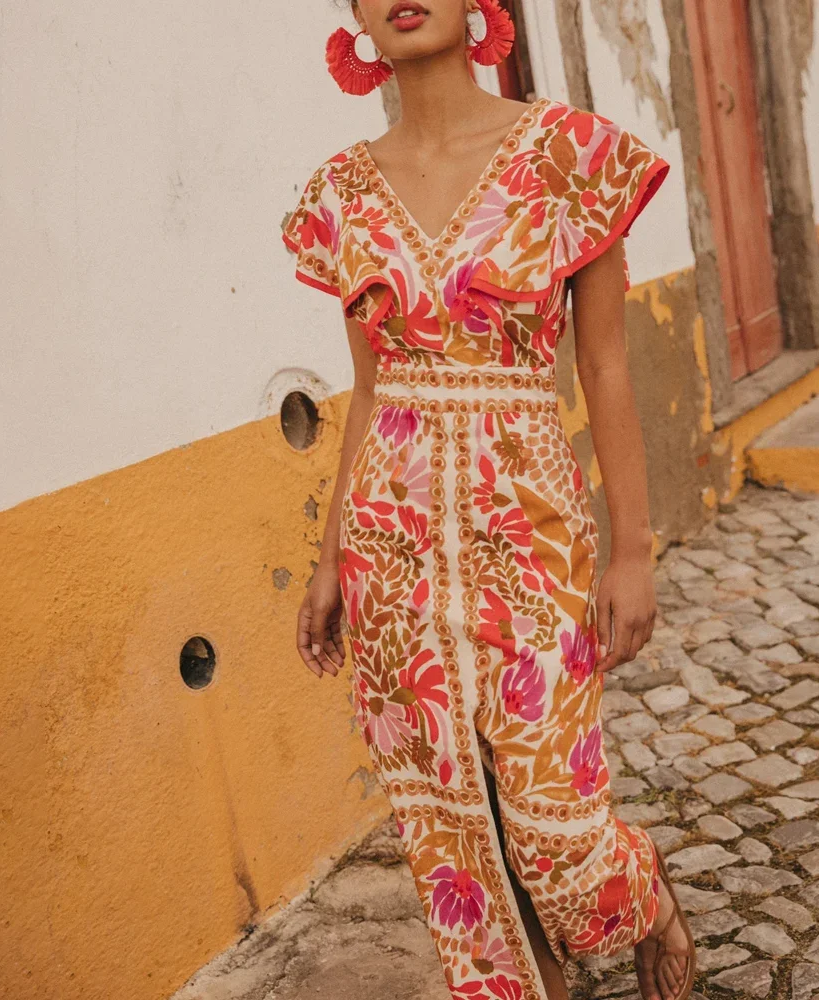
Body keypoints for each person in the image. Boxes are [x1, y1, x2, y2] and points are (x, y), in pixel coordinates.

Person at [282, 2, 696, 998]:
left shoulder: (566, 155)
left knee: (554, 830)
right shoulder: (340, 194)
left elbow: (602, 363)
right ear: (352, 14)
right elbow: (371, 393)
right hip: (392, 550)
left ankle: (640, 891)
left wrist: (629, 549)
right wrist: (334, 550)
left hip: (529, 535)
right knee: (451, 829)